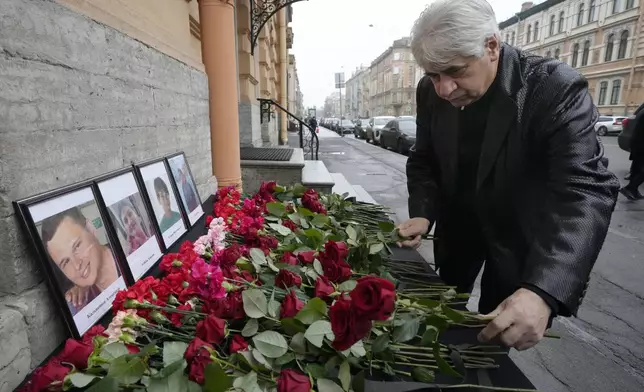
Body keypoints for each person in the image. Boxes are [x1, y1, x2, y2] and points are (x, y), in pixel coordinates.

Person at [398, 0, 619, 351]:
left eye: (454, 71)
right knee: (440, 314)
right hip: (457, 232)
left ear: (491, 46)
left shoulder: (552, 87)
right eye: (433, 75)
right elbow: (424, 157)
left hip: (516, 236)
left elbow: (585, 189)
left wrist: (544, 290)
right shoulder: (431, 90)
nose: (443, 89)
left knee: (499, 334)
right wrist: (423, 213)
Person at [41, 207, 121, 315]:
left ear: (91, 229)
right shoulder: (80, 306)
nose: (76, 265)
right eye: (65, 262)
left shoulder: (129, 252)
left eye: (77, 246)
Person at [619, 110, 644, 199]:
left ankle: (633, 190)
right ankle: (630, 188)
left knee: (637, 167)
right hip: (641, 143)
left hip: (638, 142)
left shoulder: (642, 111)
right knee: (640, 169)